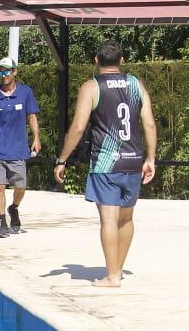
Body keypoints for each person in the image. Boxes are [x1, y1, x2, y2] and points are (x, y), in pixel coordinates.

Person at [53, 40, 157, 287]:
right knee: (127, 220)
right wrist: (150, 158)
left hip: (106, 164)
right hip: (133, 161)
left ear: (96, 61)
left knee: (109, 220)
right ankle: (118, 270)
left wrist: (62, 159)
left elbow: (78, 128)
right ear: (121, 61)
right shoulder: (135, 84)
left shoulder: (91, 87)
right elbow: (149, 124)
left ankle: (111, 276)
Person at [0, 56, 41, 237]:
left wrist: (36, 137)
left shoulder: (25, 93)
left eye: (7, 71)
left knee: (20, 188)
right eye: (0, 71)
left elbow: (32, 116)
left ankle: (14, 207)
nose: (3, 75)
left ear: (15, 72)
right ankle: (2, 222)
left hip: (18, 149)